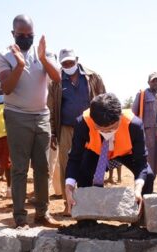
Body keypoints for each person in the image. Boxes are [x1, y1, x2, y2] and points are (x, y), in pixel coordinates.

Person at [0, 14, 61, 228]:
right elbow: (6, 88)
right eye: (21, 35)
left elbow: (57, 78)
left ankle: (42, 213)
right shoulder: (4, 55)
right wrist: (19, 65)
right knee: (20, 169)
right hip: (17, 116)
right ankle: (20, 217)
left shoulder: (43, 51)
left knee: (42, 168)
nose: (26, 38)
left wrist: (42, 59)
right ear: (13, 34)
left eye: (29, 35)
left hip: (42, 116)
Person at [65, 93, 154, 221]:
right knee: (83, 172)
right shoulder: (82, 122)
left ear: (120, 117)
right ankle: (86, 220)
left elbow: (141, 161)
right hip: (95, 151)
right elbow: (75, 157)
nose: (107, 133)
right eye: (101, 129)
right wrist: (69, 186)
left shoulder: (134, 124)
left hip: (125, 152)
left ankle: (141, 218)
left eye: (112, 128)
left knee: (148, 176)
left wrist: (138, 188)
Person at [48, 48, 106, 216]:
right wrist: (52, 133)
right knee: (67, 164)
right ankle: (69, 204)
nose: (68, 65)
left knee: (89, 163)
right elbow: (51, 109)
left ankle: (89, 202)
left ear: (77, 60)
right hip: (66, 128)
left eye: (70, 62)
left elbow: (103, 100)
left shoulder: (93, 77)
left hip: (90, 128)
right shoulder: (56, 81)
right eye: (64, 63)